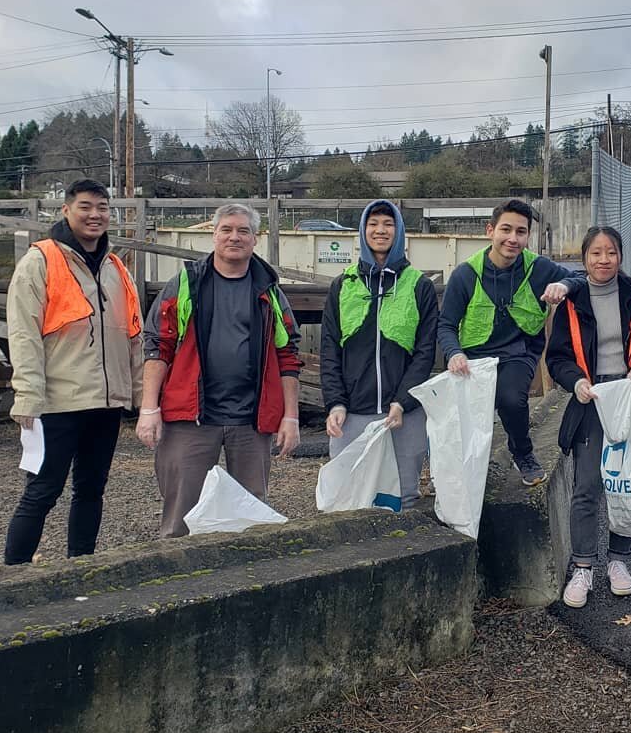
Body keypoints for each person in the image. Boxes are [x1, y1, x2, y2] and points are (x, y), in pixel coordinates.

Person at [137, 203, 302, 537]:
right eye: (226, 229)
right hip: (190, 418)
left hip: (250, 420)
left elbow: (288, 355)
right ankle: (176, 582)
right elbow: (159, 346)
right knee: (181, 514)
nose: (234, 237)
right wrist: (149, 408)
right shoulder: (186, 284)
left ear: (256, 239)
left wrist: (291, 417)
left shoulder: (269, 291)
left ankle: (247, 581)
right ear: (213, 235)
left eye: (243, 231)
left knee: (251, 515)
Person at [3, 178, 143, 564]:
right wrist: (28, 395)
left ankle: (80, 565)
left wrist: (140, 395)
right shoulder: (41, 261)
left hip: (106, 400)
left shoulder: (117, 268)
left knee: (91, 489)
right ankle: (11, 577)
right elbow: (24, 333)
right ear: (66, 209)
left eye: (102, 208)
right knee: (43, 490)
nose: (95, 215)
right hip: (57, 402)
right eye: (85, 206)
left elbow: (133, 333)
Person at [546, 226, 631, 608]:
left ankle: (619, 561)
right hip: (590, 398)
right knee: (587, 484)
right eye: (596, 253)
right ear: (584, 258)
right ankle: (583, 566)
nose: (603, 259)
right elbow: (556, 357)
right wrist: (575, 381)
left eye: (610, 252)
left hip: (625, 396)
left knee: (623, 483)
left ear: (620, 256)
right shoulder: (574, 301)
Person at [438, 198, 576, 486]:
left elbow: (580, 279)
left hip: (520, 351)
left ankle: (522, 453)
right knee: (462, 417)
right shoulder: (466, 274)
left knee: (511, 399)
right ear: (491, 231)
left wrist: (564, 285)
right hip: (474, 355)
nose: (513, 239)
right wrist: (453, 353)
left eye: (521, 232)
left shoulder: (538, 268)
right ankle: (456, 473)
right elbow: (447, 324)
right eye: (506, 230)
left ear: (528, 236)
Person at [319, 199, 438, 509]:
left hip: (403, 413)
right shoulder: (343, 284)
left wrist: (403, 402)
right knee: (348, 497)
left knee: (403, 496)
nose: (380, 230)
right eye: (373, 224)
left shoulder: (419, 285)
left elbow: (425, 352)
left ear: (398, 231)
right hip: (352, 412)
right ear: (362, 231)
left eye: (388, 224)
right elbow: (330, 349)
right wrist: (334, 402)